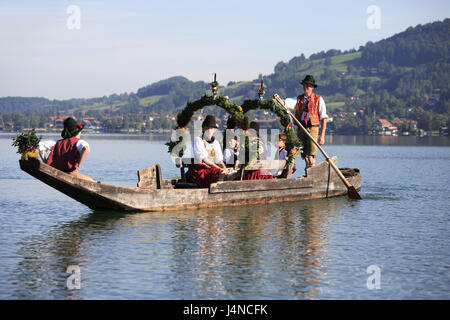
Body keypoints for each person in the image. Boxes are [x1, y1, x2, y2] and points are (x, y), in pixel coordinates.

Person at [274, 75, 328, 175]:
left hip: (313, 128)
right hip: (301, 127)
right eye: (304, 86)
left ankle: (313, 174)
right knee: (305, 155)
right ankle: (308, 173)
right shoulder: (298, 99)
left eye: (308, 86)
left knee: (311, 155)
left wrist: (322, 136)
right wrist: (278, 99)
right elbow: (286, 103)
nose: (305, 88)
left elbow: (324, 118)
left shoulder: (319, 99)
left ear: (312, 87)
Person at [186, 115, 229, 188]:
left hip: (211, 168)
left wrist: (224, 168)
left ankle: (223, 189)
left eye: (211, 128)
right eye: (207, 128)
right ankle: (217, 189)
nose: (209, 130)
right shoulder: (198, 140)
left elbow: (219, 161)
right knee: (219, 172)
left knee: (227, 172)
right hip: (199, 170)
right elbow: (204, 159)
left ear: (215, 130)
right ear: (203, 129)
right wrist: (219, 169)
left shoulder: (216, 143)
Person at [46, 117, 94, 181]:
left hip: (56, 172)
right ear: (78, 132)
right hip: (70, 174)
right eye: (80, 132)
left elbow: (39, 146)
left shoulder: (57, 142)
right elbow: (86, 148)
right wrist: (78, 164)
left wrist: (45, 162)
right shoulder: (79, 142)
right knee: (93, 181)